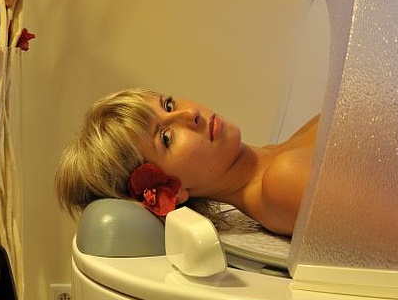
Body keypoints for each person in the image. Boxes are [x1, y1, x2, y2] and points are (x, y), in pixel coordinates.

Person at [55, 87, 318, 235]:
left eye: (168, 105)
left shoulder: (281, 153)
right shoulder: (283, 180)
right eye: (166, 137)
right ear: (172, 190)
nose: (190, 113)